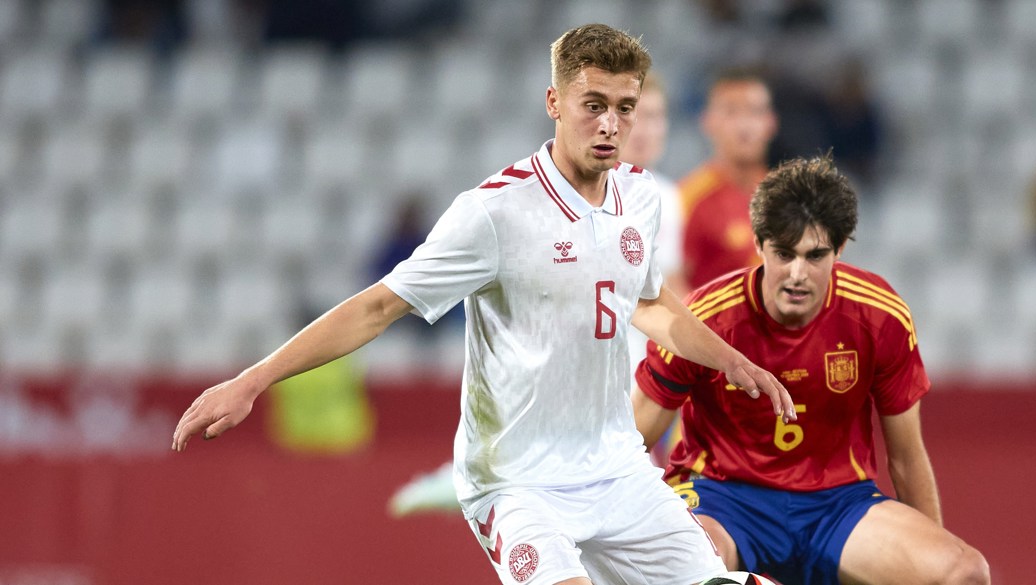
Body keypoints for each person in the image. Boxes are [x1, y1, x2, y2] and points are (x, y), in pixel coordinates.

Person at [172, 24, 796, 585]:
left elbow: (652, 304)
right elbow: (377, 307)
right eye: (594, 105)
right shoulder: (495, 212)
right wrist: (253, 380)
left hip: (617, 467)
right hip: (517, 481)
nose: (610, 124)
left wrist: (733, 362)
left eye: (624, 108)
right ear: (554, 103)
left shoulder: (641, 197)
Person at [632, 156, 990, 585]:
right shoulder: (702, 321)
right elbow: (630, 444)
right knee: (690, 567)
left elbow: (906, 458)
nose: (797, 274)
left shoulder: (880, 315)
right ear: (759, 244)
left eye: (815, 255)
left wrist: (926, 562)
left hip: (837, 506)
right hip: (721, 497)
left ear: (839, 250)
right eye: (784, 254)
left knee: (963, 573)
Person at [386, 74, 685, 516]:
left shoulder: (662, 197)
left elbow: (666, 293)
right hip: (571, 370)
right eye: (635, 115)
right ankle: (475, 481)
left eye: (653, 117)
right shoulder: (555, 194)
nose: (642, 128)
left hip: (633, 364)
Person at [678, 68, 779, 291]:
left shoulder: (792, 198)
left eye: (754, 112)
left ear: (771, 122)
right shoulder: (684, 201)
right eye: (731, 112)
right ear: (708, 121)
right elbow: (668, 287)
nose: (744, 125)